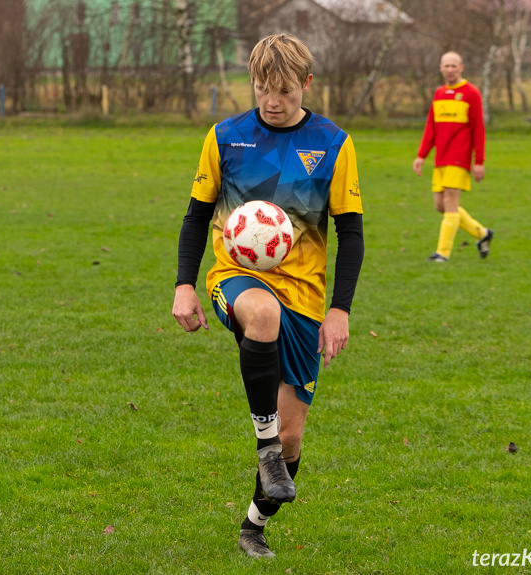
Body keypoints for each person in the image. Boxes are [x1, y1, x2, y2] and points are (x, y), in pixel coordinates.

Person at [171, 33, 364, 559]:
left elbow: (352, 232)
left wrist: (339, 310)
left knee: (294, 439)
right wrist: (185, 284)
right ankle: (264, 444)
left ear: (306, 83)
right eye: (261, 89)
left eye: (282, 90)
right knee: (261, 314)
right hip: (237, 279)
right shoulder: (225, 137)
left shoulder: (333, 143)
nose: (271, 101)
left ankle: (253, 525)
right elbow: (195, 216)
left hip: (303, 297)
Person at [413, 51, 493, 263]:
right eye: (446, 66)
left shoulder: (471, 93)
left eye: (453, 66)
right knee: (440, 205)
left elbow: (479, 130)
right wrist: (421, 155)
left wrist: (479, 161)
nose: (450, 70)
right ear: (441, 68)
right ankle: (482, 233)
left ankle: (442, 253)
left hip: (460, 159)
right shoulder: (439, 93)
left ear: (461, 67)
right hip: (441, 158)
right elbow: (431, 127)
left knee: (450, 202)